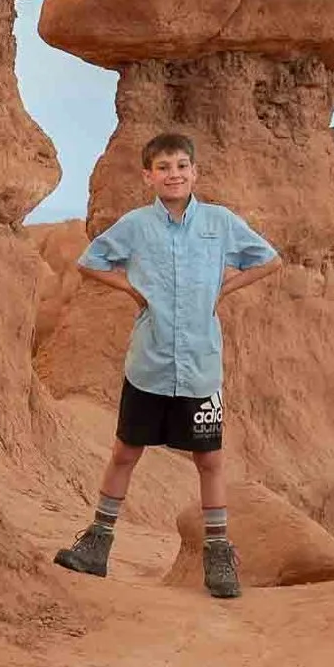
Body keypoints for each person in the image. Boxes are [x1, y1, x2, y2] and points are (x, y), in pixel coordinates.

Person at [52, 131, 283, 598]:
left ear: (195, 172)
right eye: (163, 168)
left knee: (209, 459)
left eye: (181, 166)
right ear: (148, 176)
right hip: (150, 362)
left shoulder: (219, 223)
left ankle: (219, 557)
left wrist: (224, 290)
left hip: (200, 365)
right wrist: (132, 291)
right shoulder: (136, 226)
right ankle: (97, 543)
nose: (173, 174)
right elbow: (90, 262)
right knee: (125, 452)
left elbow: (268, 260)